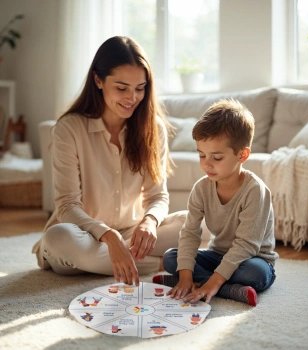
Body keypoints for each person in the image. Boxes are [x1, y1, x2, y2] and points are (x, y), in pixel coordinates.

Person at [32, 36, 187, 286]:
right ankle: (165, 264)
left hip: (132, 233)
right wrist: (109, 237)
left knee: (197, 225)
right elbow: (67, 205)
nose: (132, 98)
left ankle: (106, 261)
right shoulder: (68, 129)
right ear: (98, 80)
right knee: (57, 239)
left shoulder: (152, 128)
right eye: (122, 88)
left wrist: (150, 221)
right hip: (82, 235)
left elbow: (158, 197)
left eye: (140, 88)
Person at [153, 98, 278, 306]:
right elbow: (190, 233)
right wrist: (185, 275)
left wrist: (213, 281)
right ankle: (220, 287)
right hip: (217, 256)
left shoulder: (256, 191)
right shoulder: (201, 188)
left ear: (242, 155)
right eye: (202, 155)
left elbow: (246, 245)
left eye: (216, 158)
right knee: (171, 258)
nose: (207, 164)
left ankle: (213, 285)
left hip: (252, 259)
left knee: (255, 275)